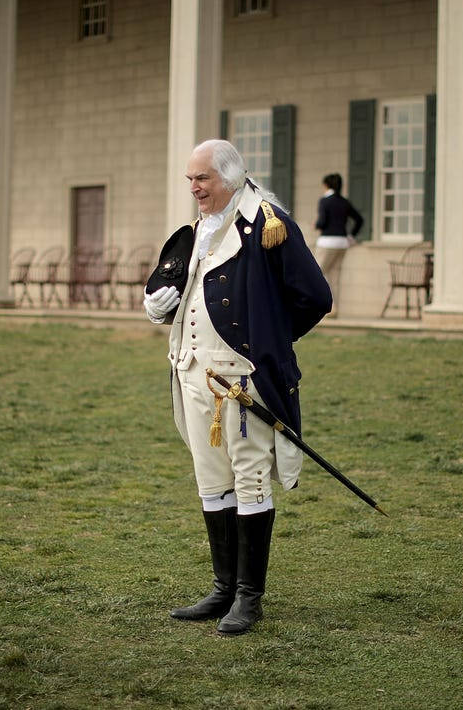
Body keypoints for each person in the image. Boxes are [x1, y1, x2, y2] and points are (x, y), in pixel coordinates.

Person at [144, 139, 331, 636]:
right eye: (190, 179)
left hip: (242, 380)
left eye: (201, 178)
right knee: (212, 482)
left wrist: (271, 335)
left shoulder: (268, 224)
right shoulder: (197, 230)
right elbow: (178, 290)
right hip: (192, 373)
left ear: (229, 175)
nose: (194, 188)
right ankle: (223, 588)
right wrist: (160, 306)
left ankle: (250, 597)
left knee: (249, 480)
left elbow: (315, 295)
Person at [314, 173, 363, 317]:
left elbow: (322, 222)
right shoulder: (344, 202)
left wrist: (316, 224)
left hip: (327, 242)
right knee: (334, 277)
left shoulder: (324, 201)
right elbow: (359, 220)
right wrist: (351, 236)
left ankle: (314, 308)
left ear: (326, 185)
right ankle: (333, 310)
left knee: (314, 273)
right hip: (342, 243)